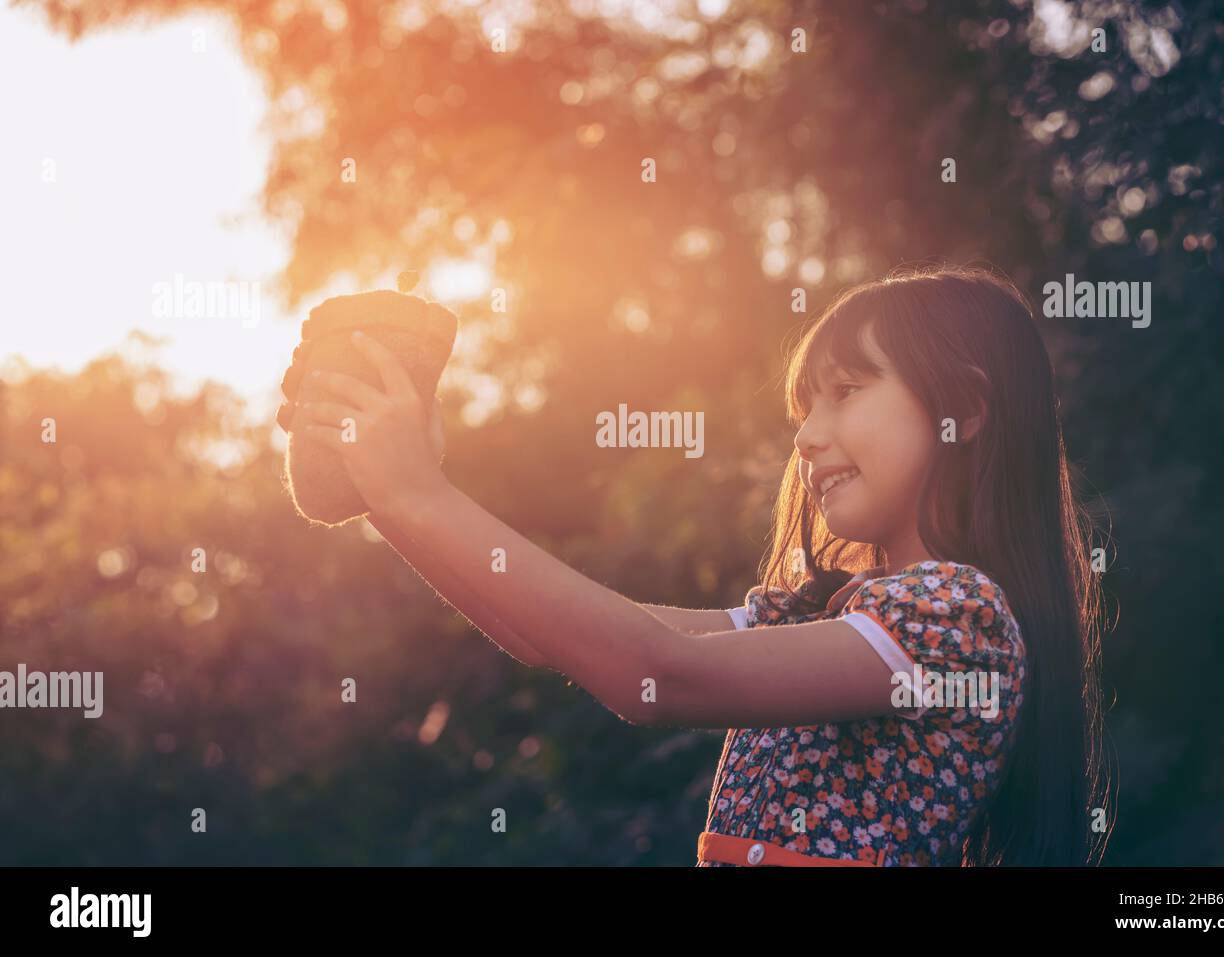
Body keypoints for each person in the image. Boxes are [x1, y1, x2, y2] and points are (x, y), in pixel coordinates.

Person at [291, 262, 1110, 866]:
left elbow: (655, 673)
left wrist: (415, 494)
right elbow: (566, 640)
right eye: (804, 406)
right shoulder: (815, 614)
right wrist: (394, 496)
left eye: (847, 391)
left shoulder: (957, 619)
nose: (807, 434)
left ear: (961, 410)